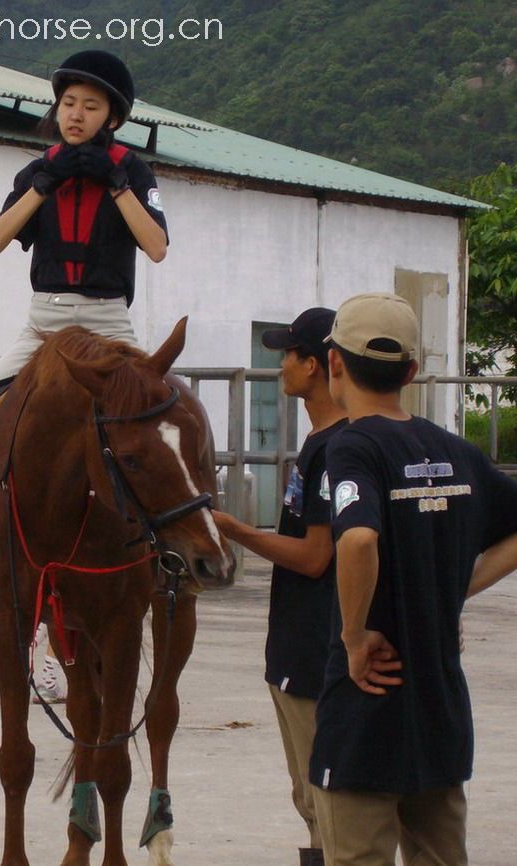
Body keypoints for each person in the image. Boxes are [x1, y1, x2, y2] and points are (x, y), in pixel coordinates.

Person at [0, 50, 169, 598]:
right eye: (68, 103)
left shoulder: (133, 168)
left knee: (160, 422)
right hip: (44, 321)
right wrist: (43, 185)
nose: (76, 114)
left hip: (109, 321)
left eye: (91, 106)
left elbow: (156, 247)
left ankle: (167, 549)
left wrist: (116, 183)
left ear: (112, 117)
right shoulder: (37, 168)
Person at [309, 293, 517, 866]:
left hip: (366, 712)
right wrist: (454, 589)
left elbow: (356, 538)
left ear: (334, 364)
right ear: (411, 372)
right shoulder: (457, 452)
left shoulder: (352, 446)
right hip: (440, 709)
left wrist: (353, 637)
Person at [213, 308, 346, 866]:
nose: (280, 364)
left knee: (327, 800)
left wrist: (235, 529)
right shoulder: (322, 440)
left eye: (288, 354)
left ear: (314, 366)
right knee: (312, 797)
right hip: (299, 645)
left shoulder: (337, 447)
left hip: (316, 650)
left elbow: (316, 557)